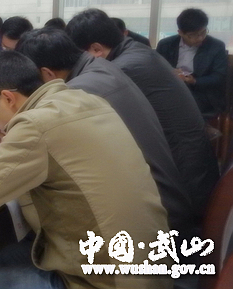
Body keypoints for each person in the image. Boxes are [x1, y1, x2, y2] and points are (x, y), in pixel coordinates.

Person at [0, 51, 170, 289]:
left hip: (107, 280)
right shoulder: (86, 100)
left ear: (8, 98)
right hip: (150, 266)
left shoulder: (35, 125)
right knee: (8, 255)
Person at [16, 27, 195, 237]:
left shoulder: (77, 93)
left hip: (150, 221)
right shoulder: (100, 66)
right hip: (166, 199)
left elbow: (38, 148)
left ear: (47, 73)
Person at [66, 8, 219, 218]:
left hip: (184, 171)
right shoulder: (137, 50)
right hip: (191, 157)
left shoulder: (123, 68)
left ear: (96, 49)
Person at [156, 8, 227, 118]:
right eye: (193, 35)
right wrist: (170, 73)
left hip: (202, 93)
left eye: (203, 32)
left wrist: (194, 81)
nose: (200, 38)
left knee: (177, 103)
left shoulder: (216, 46)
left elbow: (219, 77)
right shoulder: (166, 44)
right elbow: (156, 70)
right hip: (171, 88)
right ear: (180, 33)